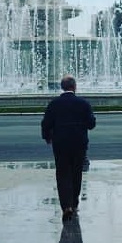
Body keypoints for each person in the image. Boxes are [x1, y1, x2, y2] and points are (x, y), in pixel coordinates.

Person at [41, 74, 96, 220]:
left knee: (62, 173)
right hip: (79, 143)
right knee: (76, 172)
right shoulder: (83, 103)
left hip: (61, 143)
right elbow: (91, 124)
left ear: (62, 87)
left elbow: (46, 123)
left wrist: (47, 137)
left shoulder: (54, 104)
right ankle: (74, 202)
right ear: (74, 87)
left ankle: (66, 206)